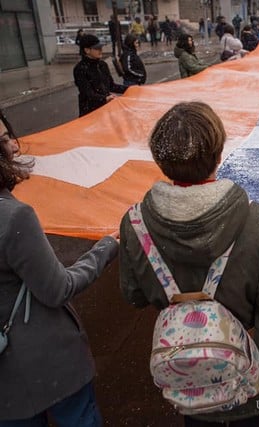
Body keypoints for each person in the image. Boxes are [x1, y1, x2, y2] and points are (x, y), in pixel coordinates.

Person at [118, 101, 259, 427]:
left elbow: (133, 294)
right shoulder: (253, 218)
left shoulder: (135, 224)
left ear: (161, 161)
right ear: (219, 156)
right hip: (247, 370)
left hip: (186, 375)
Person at [0, 109, 119, 426]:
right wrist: (105, 248)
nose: (13, 146)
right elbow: (58, 288)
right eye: (3, 140)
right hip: (45, 365)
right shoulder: (14, 218)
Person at [73, 34, 126, 117]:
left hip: (106, 110)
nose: (100, 50)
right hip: (90, 112)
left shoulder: (102, 65)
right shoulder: (80, 69)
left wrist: (130, 89)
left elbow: (111, 86)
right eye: (97, 48)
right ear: (87, 50)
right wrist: (104, 99)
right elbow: (87, 93)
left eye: (101, 47)